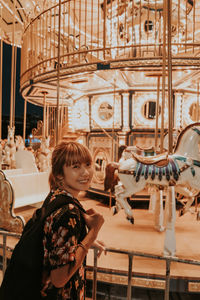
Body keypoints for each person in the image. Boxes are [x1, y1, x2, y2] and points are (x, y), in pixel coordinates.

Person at [41, 141, 105, 299]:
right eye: (76, 166)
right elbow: (59, 279)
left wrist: (78, 237)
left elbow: (54, 240)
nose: (85, 172)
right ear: (59, 174)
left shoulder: (55, 196)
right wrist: (92, 234)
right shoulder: (68, 212)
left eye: (88, 164)